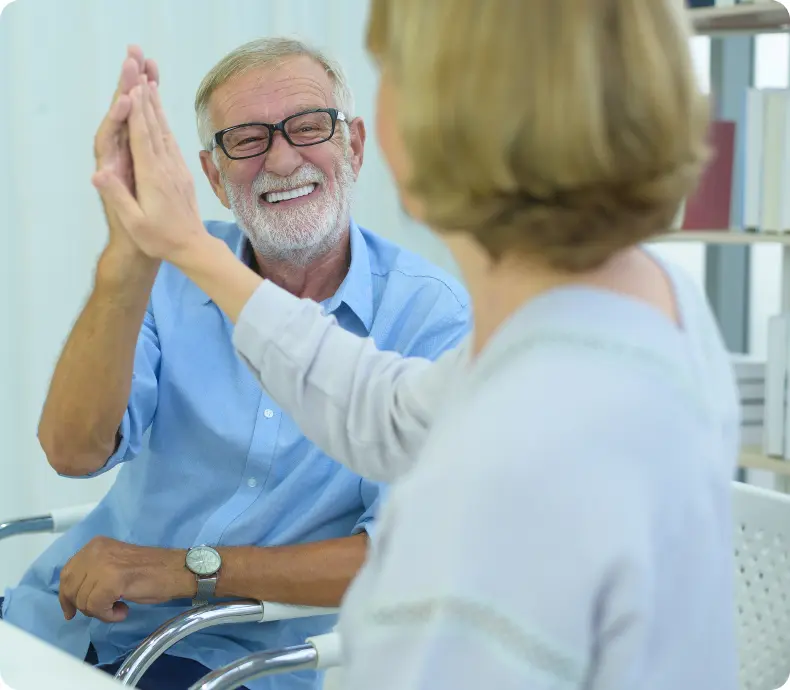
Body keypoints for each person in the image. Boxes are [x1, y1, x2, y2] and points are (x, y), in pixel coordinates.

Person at [92, 0, 741, 687]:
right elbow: (392, 412)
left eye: (389, 73)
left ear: (445, 124)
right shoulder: (642, 302)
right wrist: (188, 246)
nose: (287, 153)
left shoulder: (502, 471)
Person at [0, 38, 470, 690]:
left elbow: (403, 556)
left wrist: (190, 568)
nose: (281, 158)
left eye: (308, 127)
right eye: (246, 139)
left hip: (225, 664)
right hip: (58, 618)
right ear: (214, 175)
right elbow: (72, 451)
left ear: (355, 145)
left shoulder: (432, 317)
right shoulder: (162, 274)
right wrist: (127, 257)